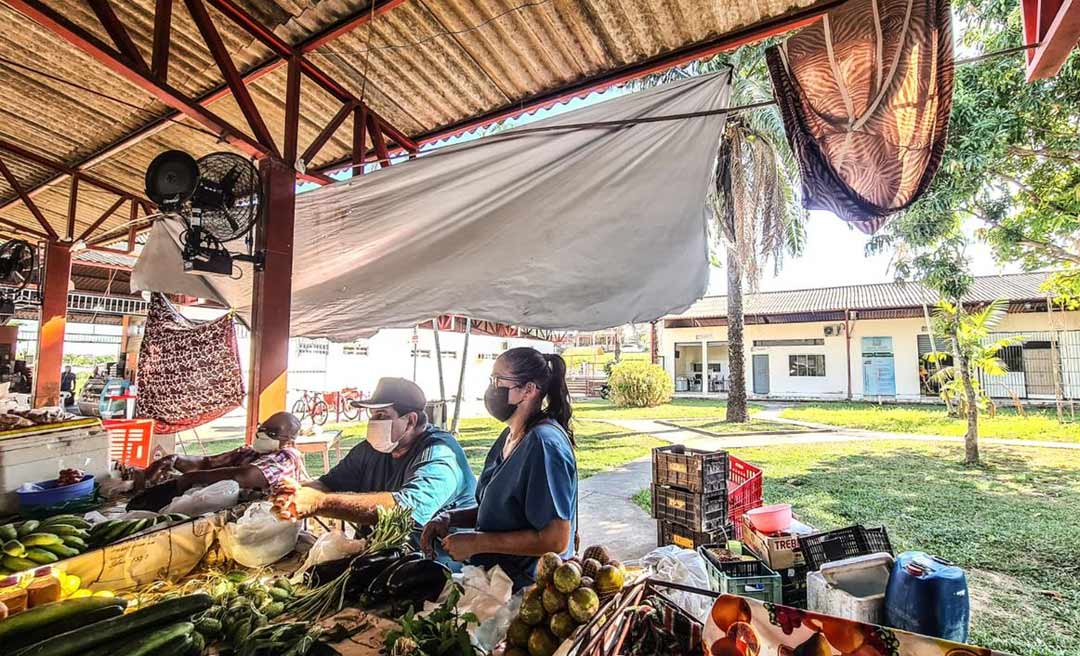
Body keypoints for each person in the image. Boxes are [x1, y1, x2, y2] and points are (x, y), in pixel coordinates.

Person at [420, 347, 577, 589]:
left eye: (498, 381)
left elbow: (555, 539)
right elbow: (501, 511)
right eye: (491, 380)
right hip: (494, 583)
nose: (491, 389)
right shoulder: (511, 436)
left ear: (528, 390)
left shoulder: (544, 444)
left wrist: (477, 542)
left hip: (528, 592)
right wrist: (450, 518)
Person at [273, 378, 475, 547]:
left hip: (434, 563)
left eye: (381, 415)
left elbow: (406, 509)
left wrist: (319, 502)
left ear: (411, 420)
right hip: (377, 552)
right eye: (372, 415)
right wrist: (297, 492)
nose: (373, 423)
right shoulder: (371, 449)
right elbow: (330, 483)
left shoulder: (441, 453)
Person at [137, 412, 306, 505]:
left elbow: (243, 476)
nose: (262, 433)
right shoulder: (250, 452)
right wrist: (172, 460)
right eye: (262, 427)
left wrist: (191, 478)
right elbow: (208, 463)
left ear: (289, 440)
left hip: (263, 524)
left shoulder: (288, 457)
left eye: (272, 432)